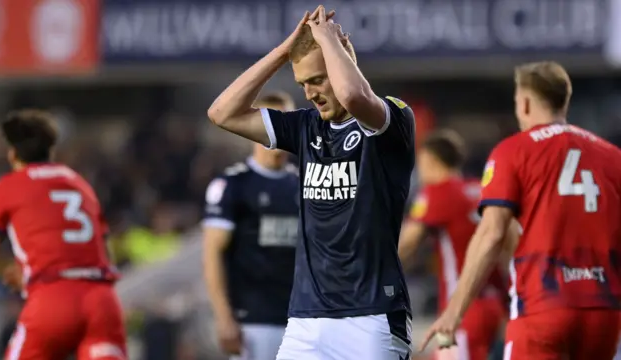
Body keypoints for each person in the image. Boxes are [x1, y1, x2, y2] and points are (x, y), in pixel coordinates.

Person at [207, 5, 415, 360]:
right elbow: (221, 112)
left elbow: (353, 96)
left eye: (317, 80)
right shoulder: (306, 127)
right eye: (303, 84)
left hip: (372, 316)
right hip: (306, 320)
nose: (309, 93)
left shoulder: (391, 118)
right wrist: (284, 51)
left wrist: (331, 43)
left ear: (342, 61)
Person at [420, 61, 621, 360]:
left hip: (542, 306)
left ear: (524, 103)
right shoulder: (613, 156)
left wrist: (454, 311)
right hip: (604, 309)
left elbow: (492, 233)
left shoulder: (513, 151)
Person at [0, 110, 127, 360]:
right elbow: (105, 254)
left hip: (52, 300)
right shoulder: (79, 183)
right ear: (51, 151)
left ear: (12, 153)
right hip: (102, 303)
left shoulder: (7, 187)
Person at [202, 92, 299, 360]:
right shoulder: (233, 185)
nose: (282, 129)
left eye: (286, 121)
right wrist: (224, 317)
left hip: (303, 320)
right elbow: (212, 254)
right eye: (273, 122)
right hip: (253, 322)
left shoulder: (305, 184)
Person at [398, 130, 508, 360]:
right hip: (495, 303)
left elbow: (407, 243)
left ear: (430, 160)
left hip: (462, 306)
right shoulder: (479, 188)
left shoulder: (439, 192)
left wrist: (378, 272)